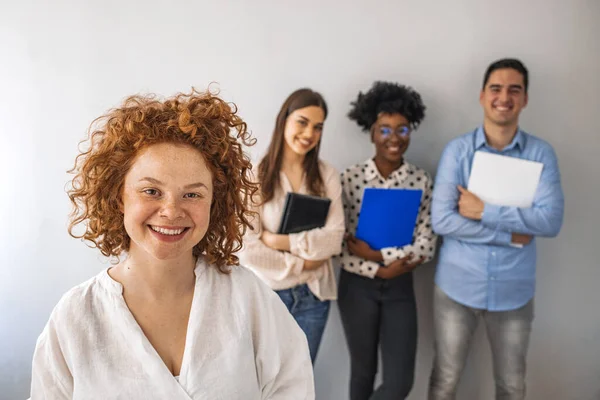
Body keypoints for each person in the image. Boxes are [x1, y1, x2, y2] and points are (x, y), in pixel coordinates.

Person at [29, 89, 315, 399]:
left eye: (192, 194)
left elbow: (293, 387)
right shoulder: (75, 317)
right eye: (151, 191)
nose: (171, 211)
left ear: (213, 204)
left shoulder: (248, 297)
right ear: (118, 197)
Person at [428, 58, 565, 400]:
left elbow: (550, 220)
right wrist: (509, 233)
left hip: (513, 294)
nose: (504, 97)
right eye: (496, 88)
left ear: (525, 99)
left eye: (514, 90)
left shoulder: (541, 154)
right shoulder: (458, 151)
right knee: (444, 381)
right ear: (482, 96)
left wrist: (483, 210)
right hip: (456, 288)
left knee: (512, 386)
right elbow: (442, 220)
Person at [336, 81, 438, 400]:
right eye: (385, 130)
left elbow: (427, 243)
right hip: (357, 288)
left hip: (400, 288)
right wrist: (378, 270)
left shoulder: (420, 180)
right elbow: (341, 244)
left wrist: (380, 257)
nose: (394, 138)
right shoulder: (350, 179)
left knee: (399, 382)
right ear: (371, 132)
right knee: (362, 373)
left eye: (402, 130)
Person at [238, 88, 344, 364]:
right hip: (269, 294)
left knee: (302, 384)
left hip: (314, 296)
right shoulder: (255, 175)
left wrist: (279, 242)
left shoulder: (326, 175)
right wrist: (304, 263)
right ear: (283, 120)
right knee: (262, 382)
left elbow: (334, 238)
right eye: (302, 122)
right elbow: (247, 249)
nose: (309, 133)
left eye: (318, 127)